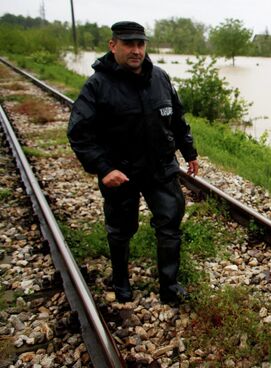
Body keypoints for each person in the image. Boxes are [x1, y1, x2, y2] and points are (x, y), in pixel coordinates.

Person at [67, 21, 199, 306]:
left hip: (160, 168)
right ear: (113, 46)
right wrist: (103, 169)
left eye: (140, 44)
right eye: (128, 44)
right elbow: (79, 133)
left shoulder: (160, 78)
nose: (136, 50)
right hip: (120, 171)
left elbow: (177, 120)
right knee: (120, 229)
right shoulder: (97, 85)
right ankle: (121, 281)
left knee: (169, 225)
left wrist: (189, 152)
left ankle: (170, 286)